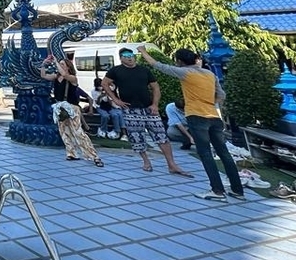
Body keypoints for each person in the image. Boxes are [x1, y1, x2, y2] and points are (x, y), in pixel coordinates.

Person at [139, 45, 245, 201]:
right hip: (214, 117)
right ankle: (238, 191)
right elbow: (221, 95)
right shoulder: (210, 74)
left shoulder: (185, 72)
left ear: (180, 62)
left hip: (197, 116)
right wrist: (210, 103)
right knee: (224, 153)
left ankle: (217, 191)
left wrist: (142, 51)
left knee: (205, 154)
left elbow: (158, 65)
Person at [100, 47, 191, 176]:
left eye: (131, 55)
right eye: (126, 56)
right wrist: (115, 99)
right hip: (130, 109)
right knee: (137, 137)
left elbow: (155, 87)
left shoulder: (144, 70)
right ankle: (146, 161)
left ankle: (171, 164)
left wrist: (155, 104)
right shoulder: (116, 71)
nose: (130, 58)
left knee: (161, 135)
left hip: (148, 108)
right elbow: (105, 83)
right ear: (121, 58)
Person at [40, 54, 104, 167]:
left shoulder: (72, 78)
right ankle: (71, 153)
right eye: (59, 64)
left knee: (78, 132)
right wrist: (44, 64)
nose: (60, 65)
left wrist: (55, 61)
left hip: (72, 108)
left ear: (68, 67)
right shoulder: (56, 76)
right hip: (60, 107)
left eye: (62, 64)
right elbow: (44, 75)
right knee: (64, 131)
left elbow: (65, 74)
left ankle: (94, 156)